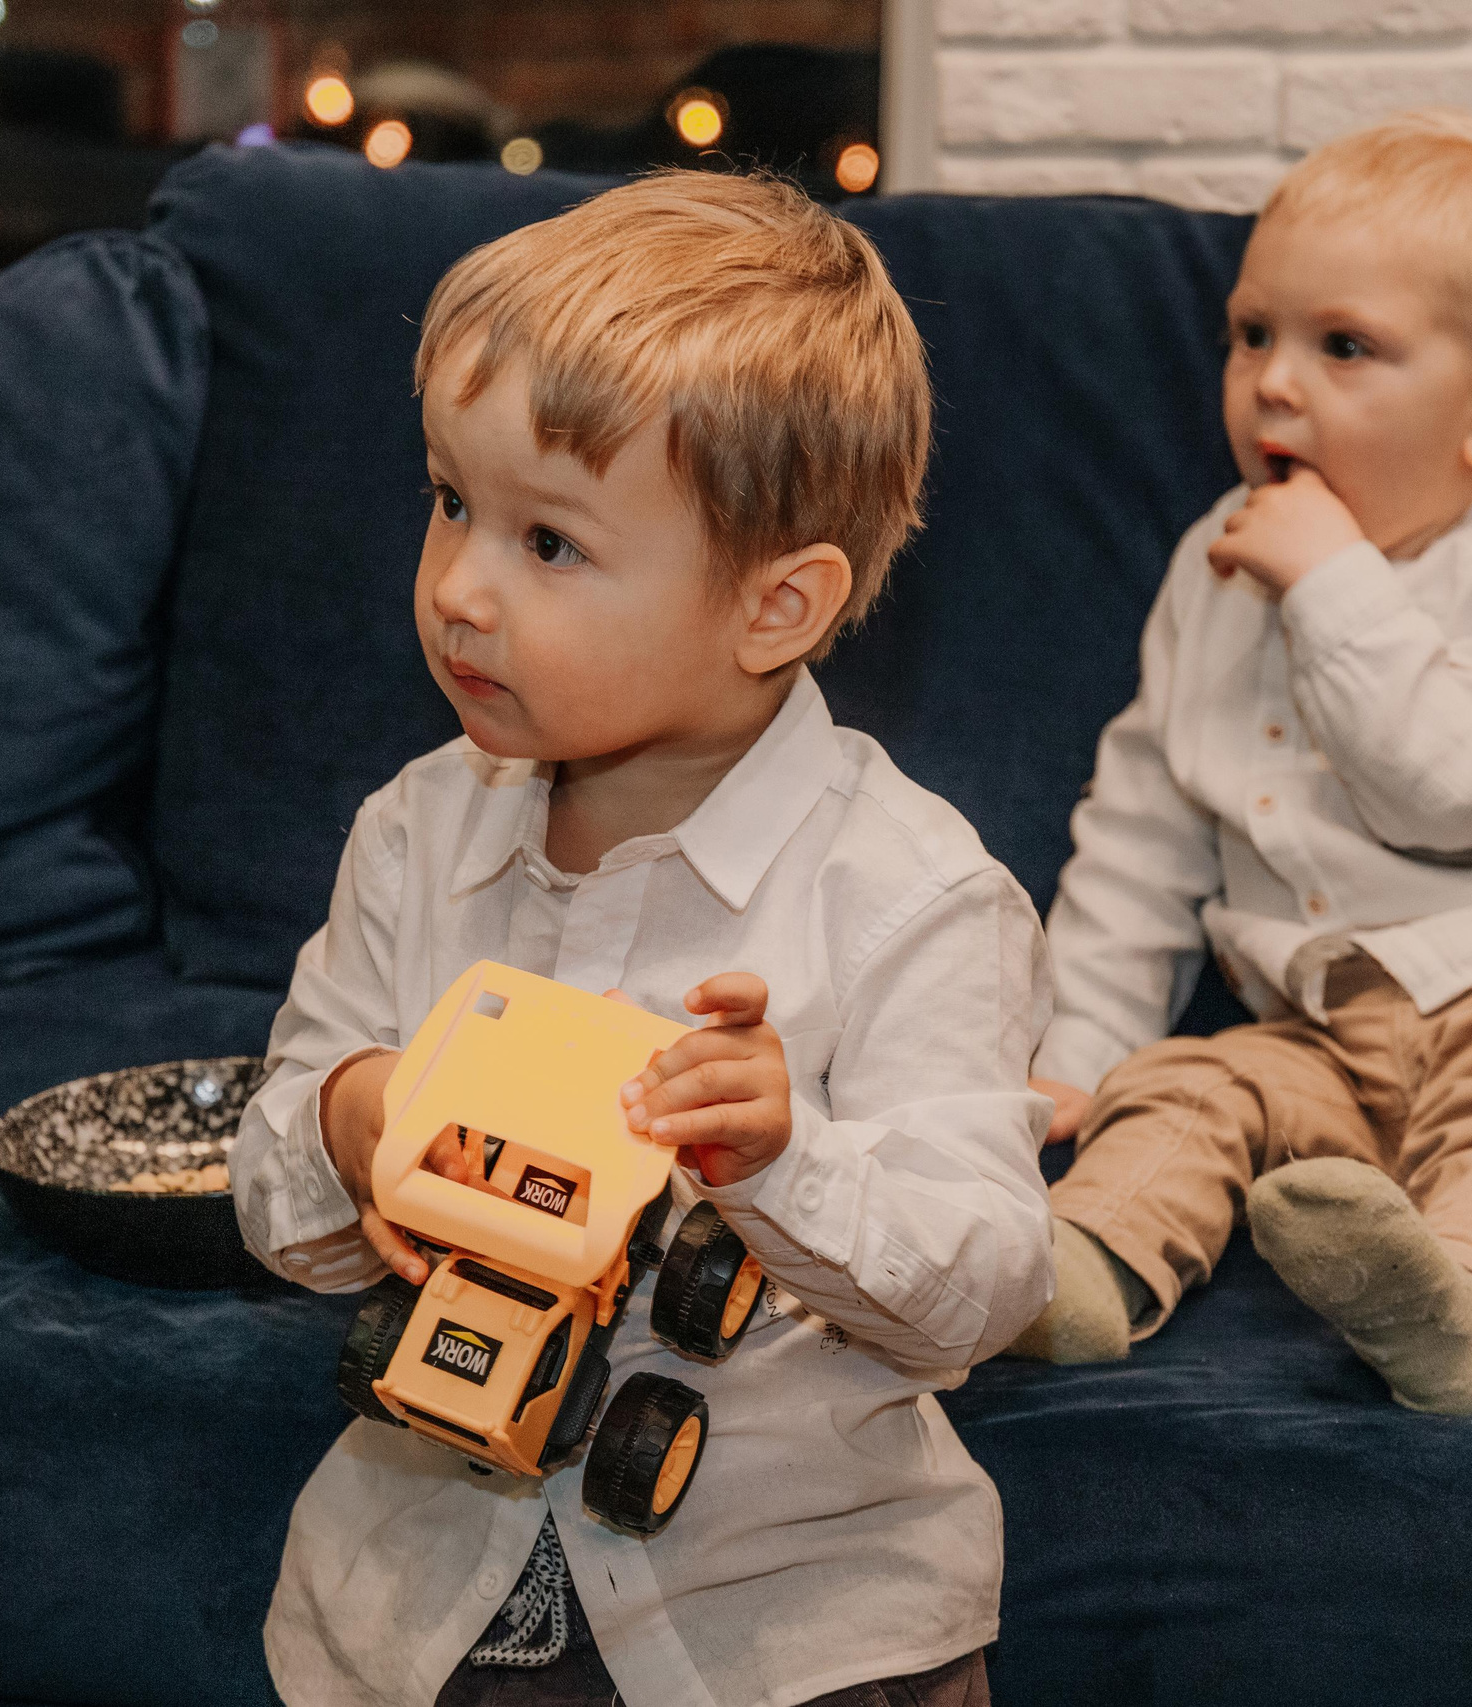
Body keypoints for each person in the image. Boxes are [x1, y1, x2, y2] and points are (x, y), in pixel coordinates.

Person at [230, 169, 1050, 1707]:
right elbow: (279, 1188)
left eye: (551, 544)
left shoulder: (912, 894)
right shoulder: (417, 835)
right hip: (412, 1619)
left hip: (793, 1640)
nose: (460, 587)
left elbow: (989, 1284)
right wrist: (349, 1123)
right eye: (451, 499)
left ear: (775, 606)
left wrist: (781, 1167)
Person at [1008, 110, 1472, 1416]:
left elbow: (1470, 798)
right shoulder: (1212, 568)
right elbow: (1142, 832)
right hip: (1328, 1029)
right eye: (1253, 334)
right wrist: (1078, 1052)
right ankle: (1077, 1268)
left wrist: (1336, 587)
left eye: (1343, 346)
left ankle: (1458, 1306)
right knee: (1190, 1083)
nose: (1273, 383)